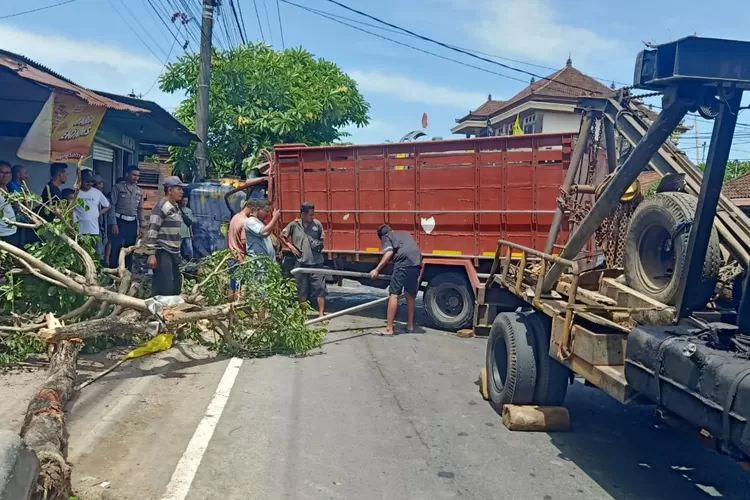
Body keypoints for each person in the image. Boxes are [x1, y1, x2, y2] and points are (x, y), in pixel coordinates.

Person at [368, 224, 423, 335]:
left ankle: (389, 329)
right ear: (392, 229)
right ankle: (410, 326)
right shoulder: (404, 233)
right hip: (416, 263)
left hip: (403, 264)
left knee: (393, 295)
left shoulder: (386, 236)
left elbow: (389, 252)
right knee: (410, 295)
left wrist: (377, 269)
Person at [281, 201, 326, 317]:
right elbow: (283, 236)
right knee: (301, 289)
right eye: (310, 215)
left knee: (320, 288)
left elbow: (322, 240)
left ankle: (321, 314)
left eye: (313, 214)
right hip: (301, 262)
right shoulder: (294, 225)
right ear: (303, 214)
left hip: (316, 262)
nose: (312, 217)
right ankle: (302, 314)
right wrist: (290, 247)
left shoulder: (317, 225)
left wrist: (319, 245)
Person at [144, 176, 186, 296]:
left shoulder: (175, 207)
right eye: (179, 189)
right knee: (165, 285)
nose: (182, 192)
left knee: (176, 284)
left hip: (173, 251)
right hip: (163, 250)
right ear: (169, 190)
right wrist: (152, 254)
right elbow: (153, 229)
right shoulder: (161, 206)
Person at [108, 166, 144, 269]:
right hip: (119, 221)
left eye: (138, 175)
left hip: (132, 222)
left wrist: (141, 226)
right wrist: (113, 223)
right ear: (127, 174)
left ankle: (127, 271)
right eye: (134, 175)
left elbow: (140, 209)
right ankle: (113, 271)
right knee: (116, 247)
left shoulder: (140, 191)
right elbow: (112, 205)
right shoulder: (118, 188)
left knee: (130, 247)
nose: (136, 178)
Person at [75, 171, 110, 260]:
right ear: (80, 180)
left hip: (94, 230)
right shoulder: (75, 193)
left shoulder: (97, 193)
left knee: (96, 255)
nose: (90, 183)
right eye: (87, 181)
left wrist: (98, 214)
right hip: (79, 231)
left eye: (91, 182)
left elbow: (107, 205)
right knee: (81, 255)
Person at [226, 200, 253, 302]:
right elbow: (244, 241)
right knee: (238, 287)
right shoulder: (245, 221)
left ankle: (229, 309)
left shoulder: (235, 217)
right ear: (250, 207)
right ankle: (237, 310)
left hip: (230, 255)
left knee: (232, 285)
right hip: (239, 257)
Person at [0, 162, 18, 246]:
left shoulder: (6, 187)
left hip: (11, 230)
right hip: (2, 233)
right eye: (2, 172)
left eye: (8, 173)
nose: (5, 175)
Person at [178, 196, 194, 261]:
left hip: (187, 233)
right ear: (181, 201)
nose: (185, 202)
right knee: (177, 249)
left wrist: (191, 233)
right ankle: (178, 261)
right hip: (179, 233)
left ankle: (190, 261)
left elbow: (190, 223)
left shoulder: (189, 211)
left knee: (189, 249)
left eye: (186, 201)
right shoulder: (177, 210)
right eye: (183, 201)